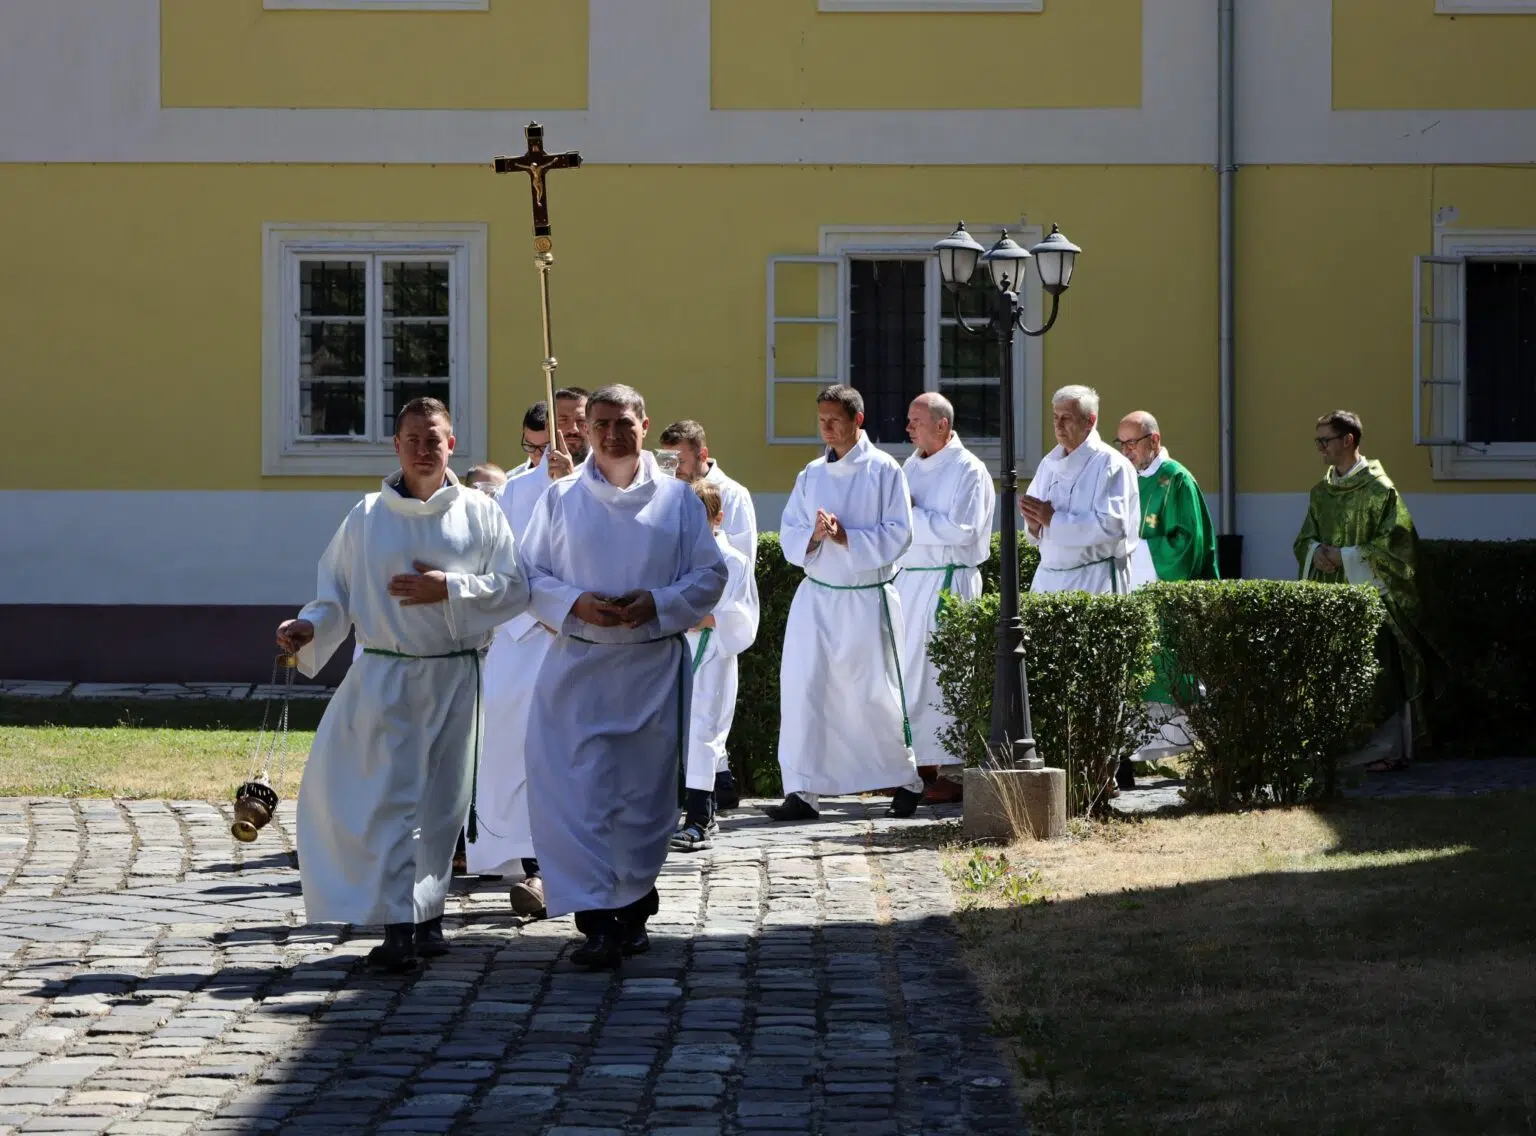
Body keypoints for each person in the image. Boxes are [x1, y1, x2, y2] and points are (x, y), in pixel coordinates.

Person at [275, 397, 530, 973]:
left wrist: (452, 589)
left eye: (433, 438)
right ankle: (397, 928)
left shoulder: (482, 513)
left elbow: (514, 589)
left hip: (455, 673)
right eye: (412, 438)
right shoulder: (367, 515)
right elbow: (336, 593)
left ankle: (427, 916)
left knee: (442, 803)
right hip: (388, 675)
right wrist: (309, 626)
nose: (423, 449)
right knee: (393, 801)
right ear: (396, 445)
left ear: (451, 443)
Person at [519, 384, 727, 969]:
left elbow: (710, 575)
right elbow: (528, 574)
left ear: (644, 425)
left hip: (649, 667)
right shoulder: (561, 498)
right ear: (585, 430)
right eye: (602, 423)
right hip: (579, 666)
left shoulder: (679, 501)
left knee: (641, 799)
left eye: (624, 423)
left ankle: (633, 910)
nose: (612, 434)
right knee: (579, 796)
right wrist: (575, 603)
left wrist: (657, 603)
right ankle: (596, 922)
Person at [768, 384, 925, 822]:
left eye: (834, 419)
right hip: (817, 599)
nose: (826, 428)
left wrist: (846, 537)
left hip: (864, 600)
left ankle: (907, 779)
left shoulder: (885, 470)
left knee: (874, 693)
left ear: (858, 419)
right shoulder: (810, 474)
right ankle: (803, 790)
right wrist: (814, 536)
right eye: (821, 420)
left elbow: (900, 533)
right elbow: (789, 531)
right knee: (804, 690)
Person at [466, 387, 593, 915]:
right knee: (513, 752)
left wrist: (573, 487)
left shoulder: (609, 487)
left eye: (576, 422)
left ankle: (567, 867)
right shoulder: (515, 491)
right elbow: (504, 566)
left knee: (574, 757)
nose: (566, 434)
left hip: (586, 640)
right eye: (556, 426)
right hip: (524, 636)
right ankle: (531, 860)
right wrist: (535, 612)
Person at [1294, 410, 1441, 771]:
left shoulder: (1380, 490)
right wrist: (1316, 552)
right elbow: (1304, 539)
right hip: (1329, 596)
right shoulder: (1320, 493)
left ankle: (1383, 749)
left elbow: (1399, 546)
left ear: (1348, 440)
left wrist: (1345, 557)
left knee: (1376, 672)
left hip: (1371, 598)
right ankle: (1335, 749)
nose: (1320, 448)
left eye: (1325, 440)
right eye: (1317, 441)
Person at [895, 393, 996, 805]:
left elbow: (962, 530)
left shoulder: (969, 469)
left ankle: (953, 769)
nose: (908, 428)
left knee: (946, 675)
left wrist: (911, 515)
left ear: (942, 425)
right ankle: (919, 764)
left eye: (915, 421)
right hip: (911, 582)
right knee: (909, 673)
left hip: (948, 583)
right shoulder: (910, 466)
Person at [659, 418, 759, 809]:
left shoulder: (732, 498)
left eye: (679, 460)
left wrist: (711, 617)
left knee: (706, 721)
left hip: (713, 641)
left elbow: (740, 574)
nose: (673, 469)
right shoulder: (668, 497)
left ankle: (706, 803)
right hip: (678, 643)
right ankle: (696, 794)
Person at [1115, 411, 1217, 787]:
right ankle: (1125, 759)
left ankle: (1207, 755)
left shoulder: (1176, 479)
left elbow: (1186, 545)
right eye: (1121, 443)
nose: (1126, 451)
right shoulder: (1128, 479)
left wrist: (1135, 554)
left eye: (1132, 443)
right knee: (1131, 680)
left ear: (1154, 441)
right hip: (1134, 596)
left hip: (1167, 600)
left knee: (1173, 678)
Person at [673, 479, 759, 852]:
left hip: (712, 656)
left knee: (704, 732)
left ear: (717, 518)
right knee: (674, 734)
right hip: (677, 653)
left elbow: (744, 614)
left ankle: (701, 818)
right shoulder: (674, 558)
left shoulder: (734, 561)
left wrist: (711, 619)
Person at [1021, 385, 1141, 595]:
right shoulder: (1048, 464)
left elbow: (1113, 526)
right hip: (1048, 579)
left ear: (1090, 421)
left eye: (1066, 418)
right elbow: (1037, 530)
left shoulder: (1111, 464)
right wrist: (1033, 525)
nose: (1058, 425)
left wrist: (1053, 520)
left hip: (1095, 579)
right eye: (1055, 417)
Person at [515, 401, 550, 474]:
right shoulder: (511, 479)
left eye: (545, 447)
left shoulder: (573, 478)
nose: (537, 456)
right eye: (531, 446)